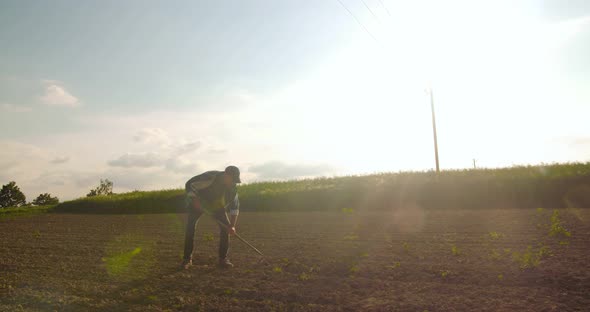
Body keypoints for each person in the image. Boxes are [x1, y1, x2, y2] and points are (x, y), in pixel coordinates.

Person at [181, 165, 241, 269]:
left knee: (226, 229)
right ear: (226, 175)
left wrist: (232, 226)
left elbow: (234, 208)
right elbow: (190, 185)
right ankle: (187, 259)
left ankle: (223, 259)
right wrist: (195, 201)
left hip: (215, 206)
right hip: (199, 202)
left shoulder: (233, 189)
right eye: (232, 179)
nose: (233, 183)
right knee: (190, 228)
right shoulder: (210, 177)